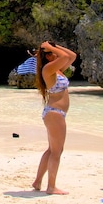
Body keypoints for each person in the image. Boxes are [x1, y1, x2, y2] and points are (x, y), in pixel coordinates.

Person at [32, 41, 78, 195]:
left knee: (52, 150)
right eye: (51, 53)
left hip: (55, 113)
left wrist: (54, 45)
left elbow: (71, 56)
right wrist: (50, 48)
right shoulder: (48, 69)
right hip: (55, 113)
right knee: (57, 151)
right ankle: (51, 187)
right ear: (46, 56)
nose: (55, 54)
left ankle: (38, 181)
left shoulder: (57, 70)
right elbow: (65, 56)